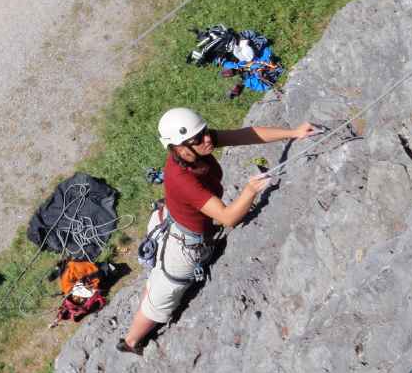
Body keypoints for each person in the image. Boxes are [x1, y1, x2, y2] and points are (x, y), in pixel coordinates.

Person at [117, 108, 317, 355]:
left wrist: (294, 133)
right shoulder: (183, 178)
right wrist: (250, 191)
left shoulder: (195, 145)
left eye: (205, 132)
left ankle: (153, 284)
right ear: (179, 148)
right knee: (162, 300)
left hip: (171, 223)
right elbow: (227, 217)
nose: (207, 139)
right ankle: (130, 341)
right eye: (198, 139)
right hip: (183, 246)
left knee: (159, 280)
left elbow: (246, 135)